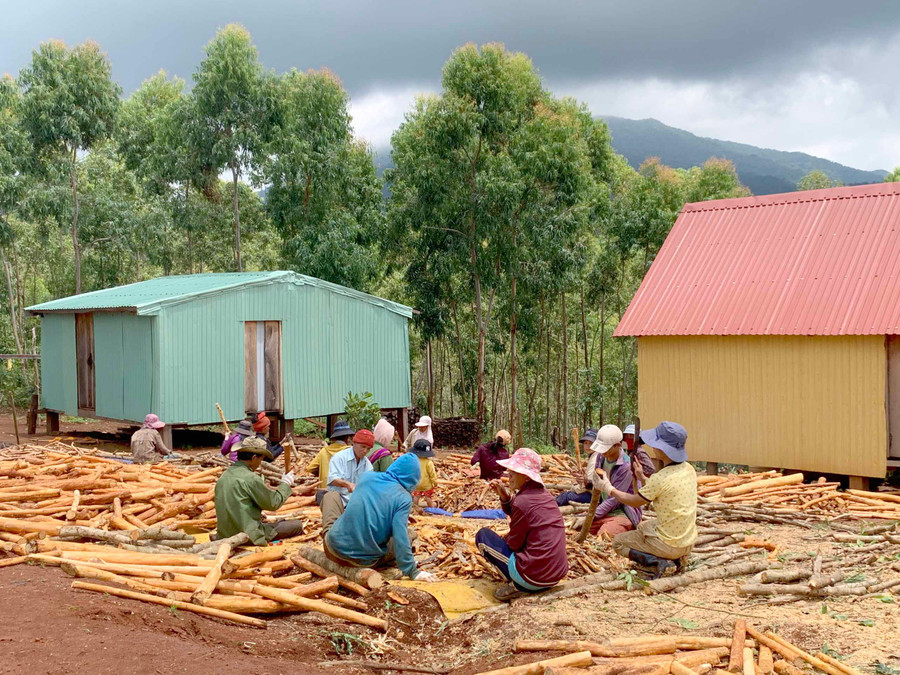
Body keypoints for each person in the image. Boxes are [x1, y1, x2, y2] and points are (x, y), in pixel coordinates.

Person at [595, 421, 697, 578]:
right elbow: (662, 490)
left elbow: (636, 501)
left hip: (669, 544)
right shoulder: (689, 469)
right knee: (643, 527)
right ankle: (678, 558)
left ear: (662, 449)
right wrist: (642, 477)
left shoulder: (660, 478)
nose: (653, 447)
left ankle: (656, 562)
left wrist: (609, 488)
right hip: (687, 541)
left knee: (618, 543)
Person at [324, 452, 436, 582]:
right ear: (413, 479)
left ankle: (329, 534)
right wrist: (412, 571)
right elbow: (400, 535)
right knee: (409, 534)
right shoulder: (403, 498)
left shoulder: (366, 477)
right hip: (362, 561)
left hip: (332, 548)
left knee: (330, 496)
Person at [475, 448, 569, 601]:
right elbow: (523, 514)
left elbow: (514, 544)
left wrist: (504, 541)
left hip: (535, 577)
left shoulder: (522, 501)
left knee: (483, 536)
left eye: (513, 472)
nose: (508, 475)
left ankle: (518, 586)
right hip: (556, 574)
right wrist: (505, 496)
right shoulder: (544, 495)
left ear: (526, 477)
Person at [213, 436, 303, 545]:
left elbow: (237, 502)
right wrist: (286, 483)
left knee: (277, 523)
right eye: (260, 459)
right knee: (297, 525)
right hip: (248, 535)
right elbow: (273, 503)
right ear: (254, 458)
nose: (260, 463)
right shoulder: (251, 478)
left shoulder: (224, 476)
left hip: (225, 534)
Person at [585, 427, 642, 539]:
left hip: (623, 513)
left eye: (606, 448)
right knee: (578, 529)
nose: (602, 451)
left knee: (604, 537)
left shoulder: (625, 466)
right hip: (605, 510)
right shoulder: (601, 458)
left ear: (618, 445)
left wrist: (591, 516)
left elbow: (615, 500)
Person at [320, 429, 375, 535]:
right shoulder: (339, 458)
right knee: (330, 497)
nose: (365, 451)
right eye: (363, 447)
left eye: (368, 449)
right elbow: (332, 479)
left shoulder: (367, 465)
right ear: (353, 443)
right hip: (338, 501)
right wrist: (347, 484)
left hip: (355, 504)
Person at [554, 427, 604, 506]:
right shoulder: (593, 456)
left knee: (566, 496)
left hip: (595, 496)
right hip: (594, 493)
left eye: (591, 443)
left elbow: (588, 486)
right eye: (585, 443)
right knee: (566, 495)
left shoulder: (595, 458)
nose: (588, 446)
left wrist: (576, 487)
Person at [307, 420, 355, 500]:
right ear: (347, 438)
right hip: (345, 496)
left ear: (334, 438)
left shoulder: (324, 451)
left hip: (325, 494)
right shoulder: (350, 452)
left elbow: (310, 468)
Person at [410, 439, 438, 507]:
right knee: (427, 497)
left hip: (417, 484)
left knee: (416, 497)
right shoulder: (429, 463)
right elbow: (432, 474)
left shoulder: (414, 461)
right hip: (427, 485)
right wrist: (435, 482)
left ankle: (415, 508)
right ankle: (431, 508)